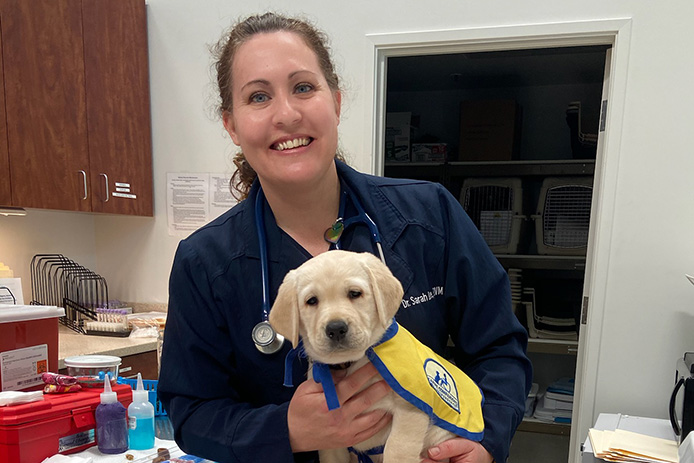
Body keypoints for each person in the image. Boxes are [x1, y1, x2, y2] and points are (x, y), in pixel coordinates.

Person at [158, 12, 532, 463]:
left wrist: (485, 443)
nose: (287, 114)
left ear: (335, 101)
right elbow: (193, 413)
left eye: (303, 87)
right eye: (258, 96)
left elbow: (500, 351)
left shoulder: (429, 215)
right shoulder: (204, 262)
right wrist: (286, 429)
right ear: (232, 125)